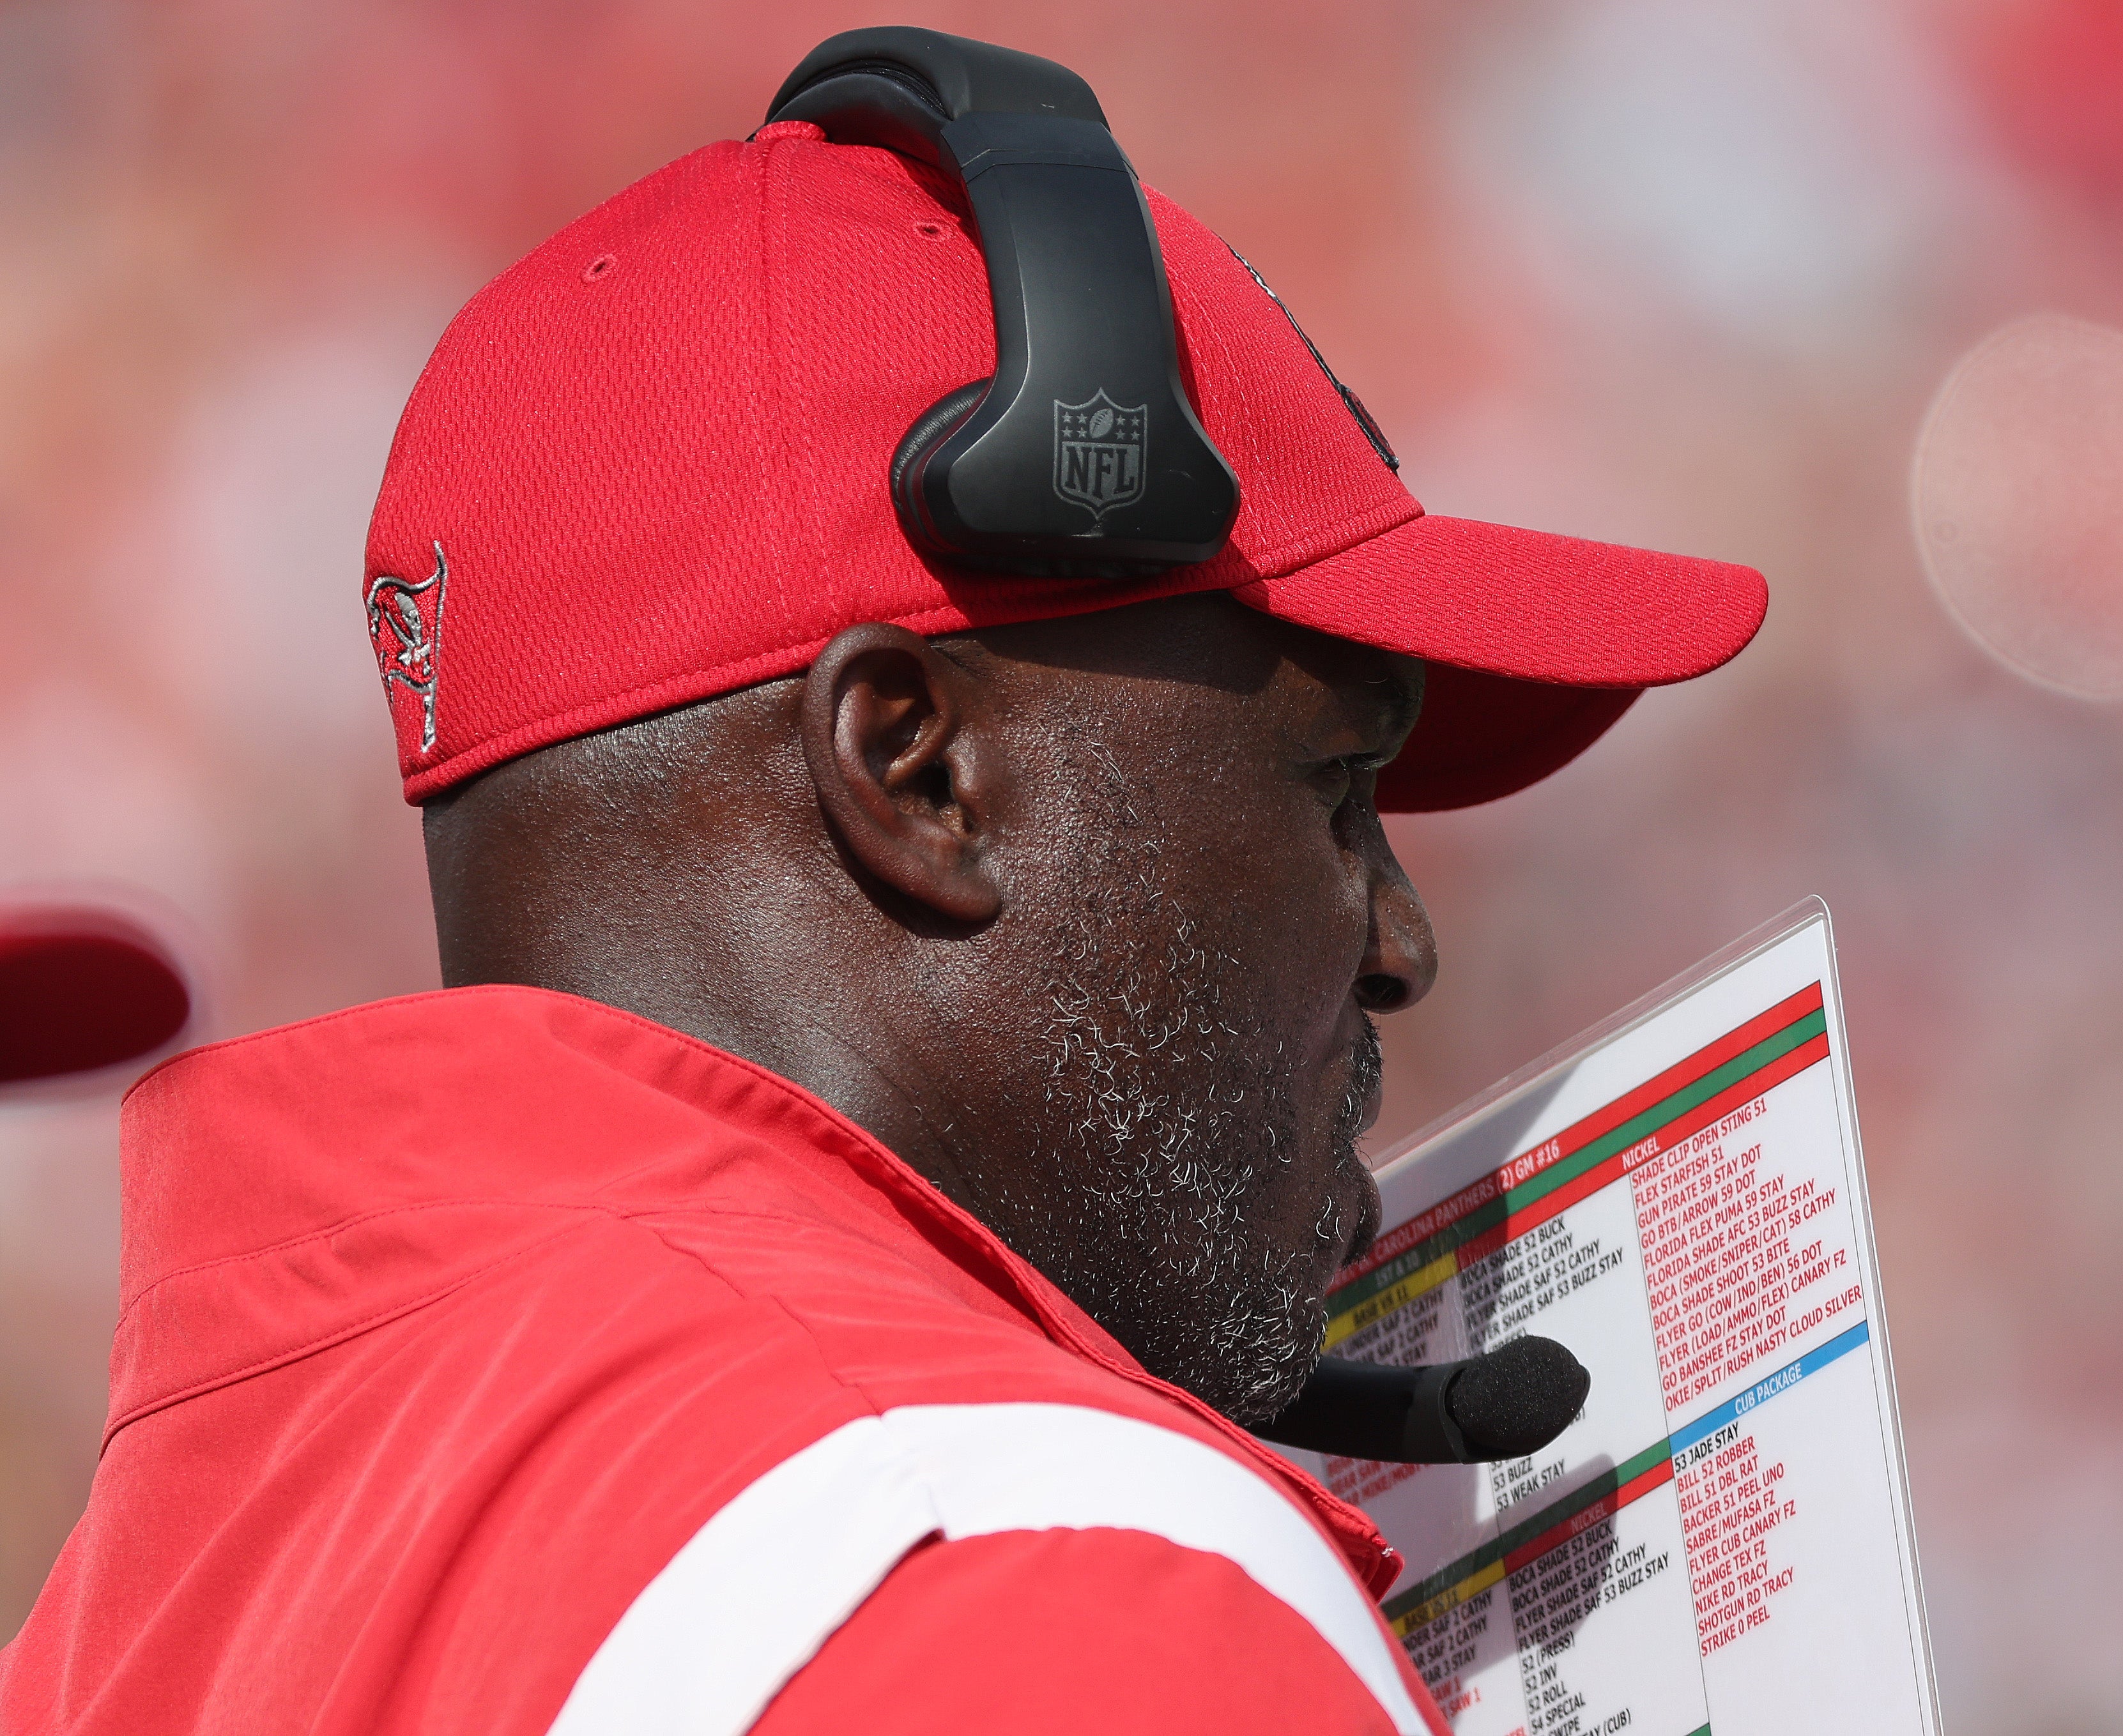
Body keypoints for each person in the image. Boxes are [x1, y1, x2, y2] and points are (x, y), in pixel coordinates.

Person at [0, 31, 1763, 1736]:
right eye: (1332, 793)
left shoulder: (125, 1618)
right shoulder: (1044, 1558)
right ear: (921, 775)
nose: (1400, 939)